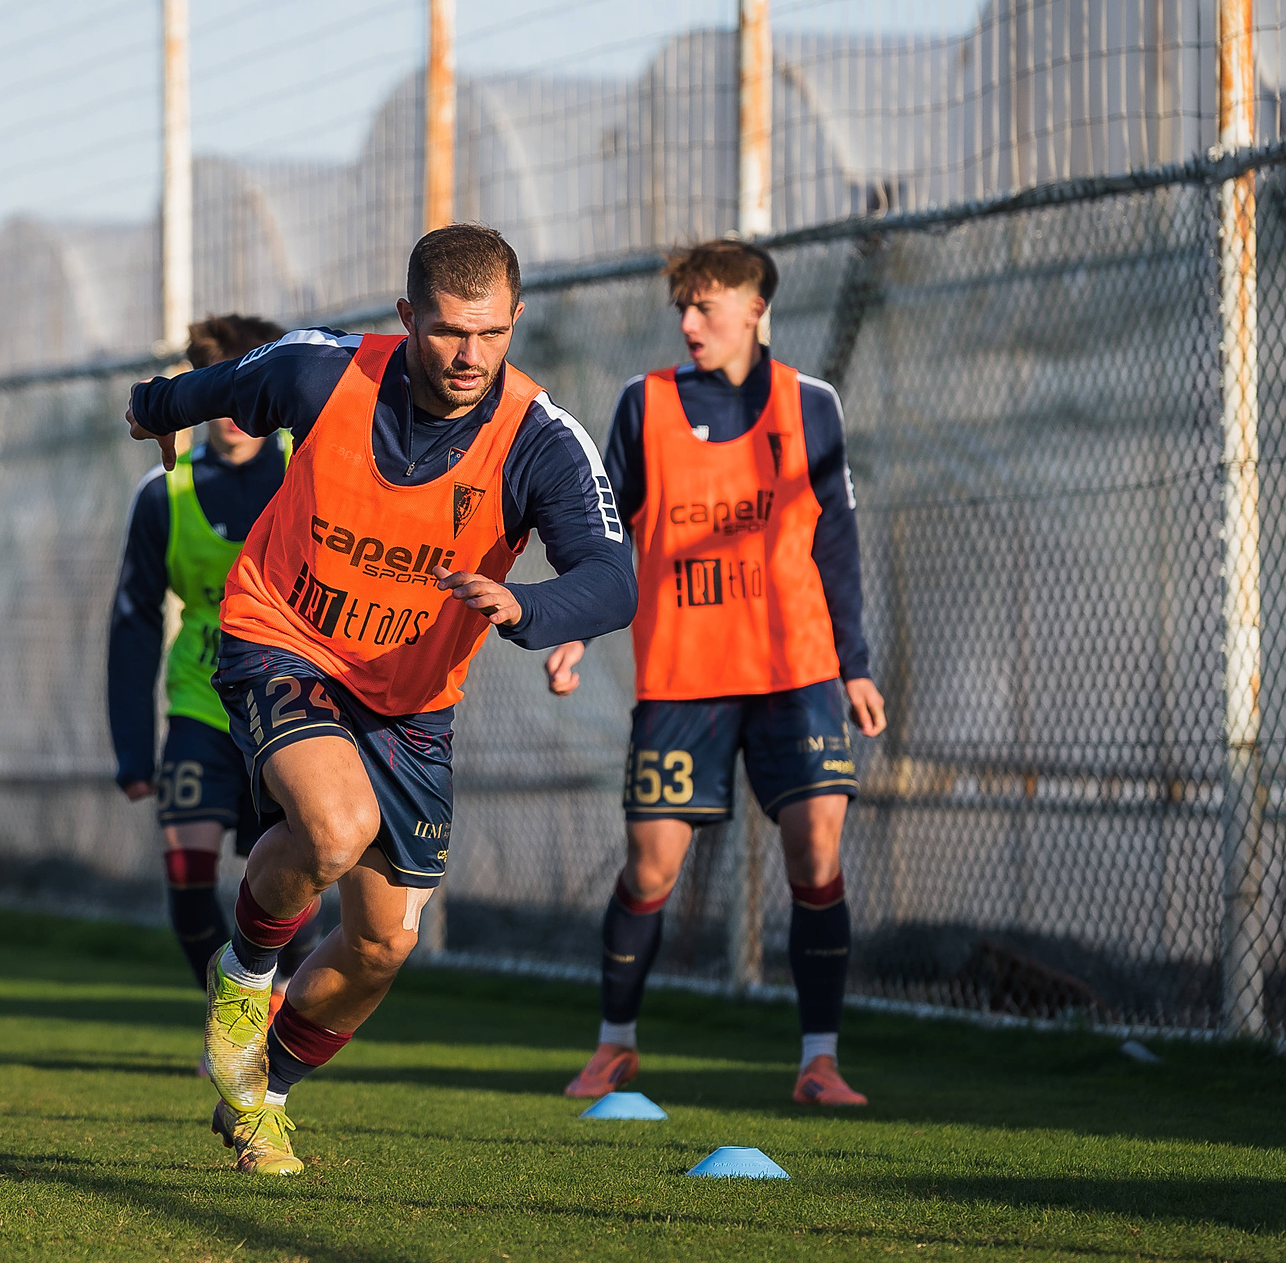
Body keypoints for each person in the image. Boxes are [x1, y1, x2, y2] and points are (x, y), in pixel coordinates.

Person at [127, 224, 635, 1175]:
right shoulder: (326, 376)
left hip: (410, 702)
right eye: (447, 332)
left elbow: (614, 575)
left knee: (385, 945)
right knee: (333, 825)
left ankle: (259, 1094)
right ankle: (245, 974)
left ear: (517, 321)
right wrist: (155, 405)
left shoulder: (538, 440)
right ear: (408, 318)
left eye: (490, 334)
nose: (469, 356)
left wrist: (529, 604)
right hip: (283, 635)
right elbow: (228, 384)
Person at [547, 238, 885, 1107]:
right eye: (682, 309)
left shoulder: (810, 404)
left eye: (706, 306)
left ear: (754, 309)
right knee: (652, 867)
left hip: (796, 671)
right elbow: (605, 533)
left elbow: (835, 540)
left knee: (815, 851)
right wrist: (578, 627)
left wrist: (855, 665)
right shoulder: (644, 404)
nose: (690, 323)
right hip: (684, 675)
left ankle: (819, 1061)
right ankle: (614, 1043)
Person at [108, 314, 318, 1024]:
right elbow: (133, 623)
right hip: (201, 705)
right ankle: (230, 1013)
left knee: (297, 869)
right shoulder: (162, 495)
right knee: (188, 874)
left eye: (245, 391)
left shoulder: (305, 475)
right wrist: (134, 749)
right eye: (215, 393)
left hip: (288, 704)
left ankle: (276, 1001)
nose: (232, 413)